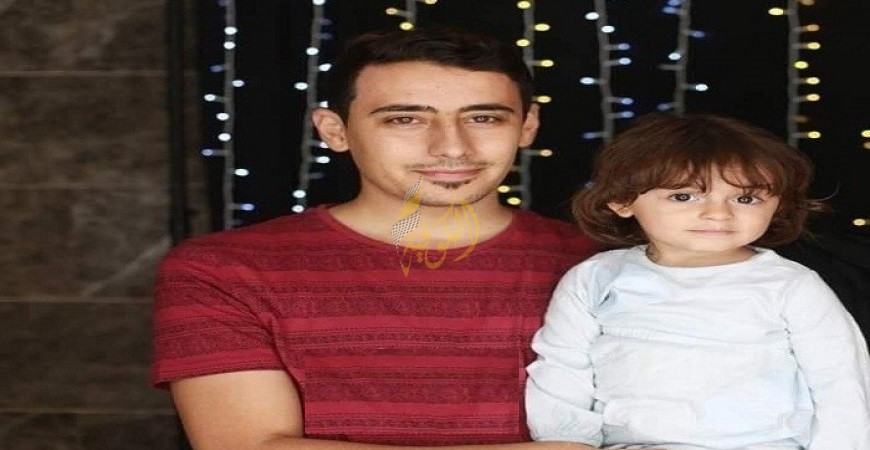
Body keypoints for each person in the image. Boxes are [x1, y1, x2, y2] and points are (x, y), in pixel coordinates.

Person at [151, 26, 600, 449]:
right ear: (335, 131)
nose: (452, 147)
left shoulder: (599, 262)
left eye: (483, 118)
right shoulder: (225, 269)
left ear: (527, 126)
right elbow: (248, 445)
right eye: (405, 119)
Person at [524, 112, 870, 450]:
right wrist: (568, 440)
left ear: (777, 206)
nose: (718, 214)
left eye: (745, 198)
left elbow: (841, 382)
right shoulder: (595, 279)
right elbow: (562, 367)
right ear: (622, 200)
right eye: (684, 196)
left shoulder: (791, 286)